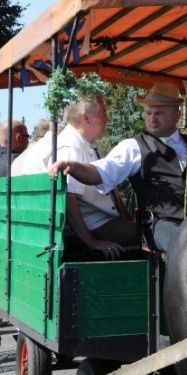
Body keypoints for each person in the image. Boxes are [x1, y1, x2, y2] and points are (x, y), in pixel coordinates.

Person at [49, 82, 187, 252]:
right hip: (159, 225)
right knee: (184, 244)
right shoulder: (133, 147)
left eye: (159, 113)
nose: (152, 119)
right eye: (148, 113)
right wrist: (72, 166)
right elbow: (101, 172)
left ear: (177, 116)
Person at [55, 95, 139, 258]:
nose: (107, 119)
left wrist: (129, 221)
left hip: (104, 222)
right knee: (150, 234)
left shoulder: (88, 143)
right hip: (95, 227)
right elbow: (68, 199)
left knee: (144, 230)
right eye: (103, 114)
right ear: (86, 117)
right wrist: (92, 242)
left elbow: (111, 189)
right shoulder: (70, 147)